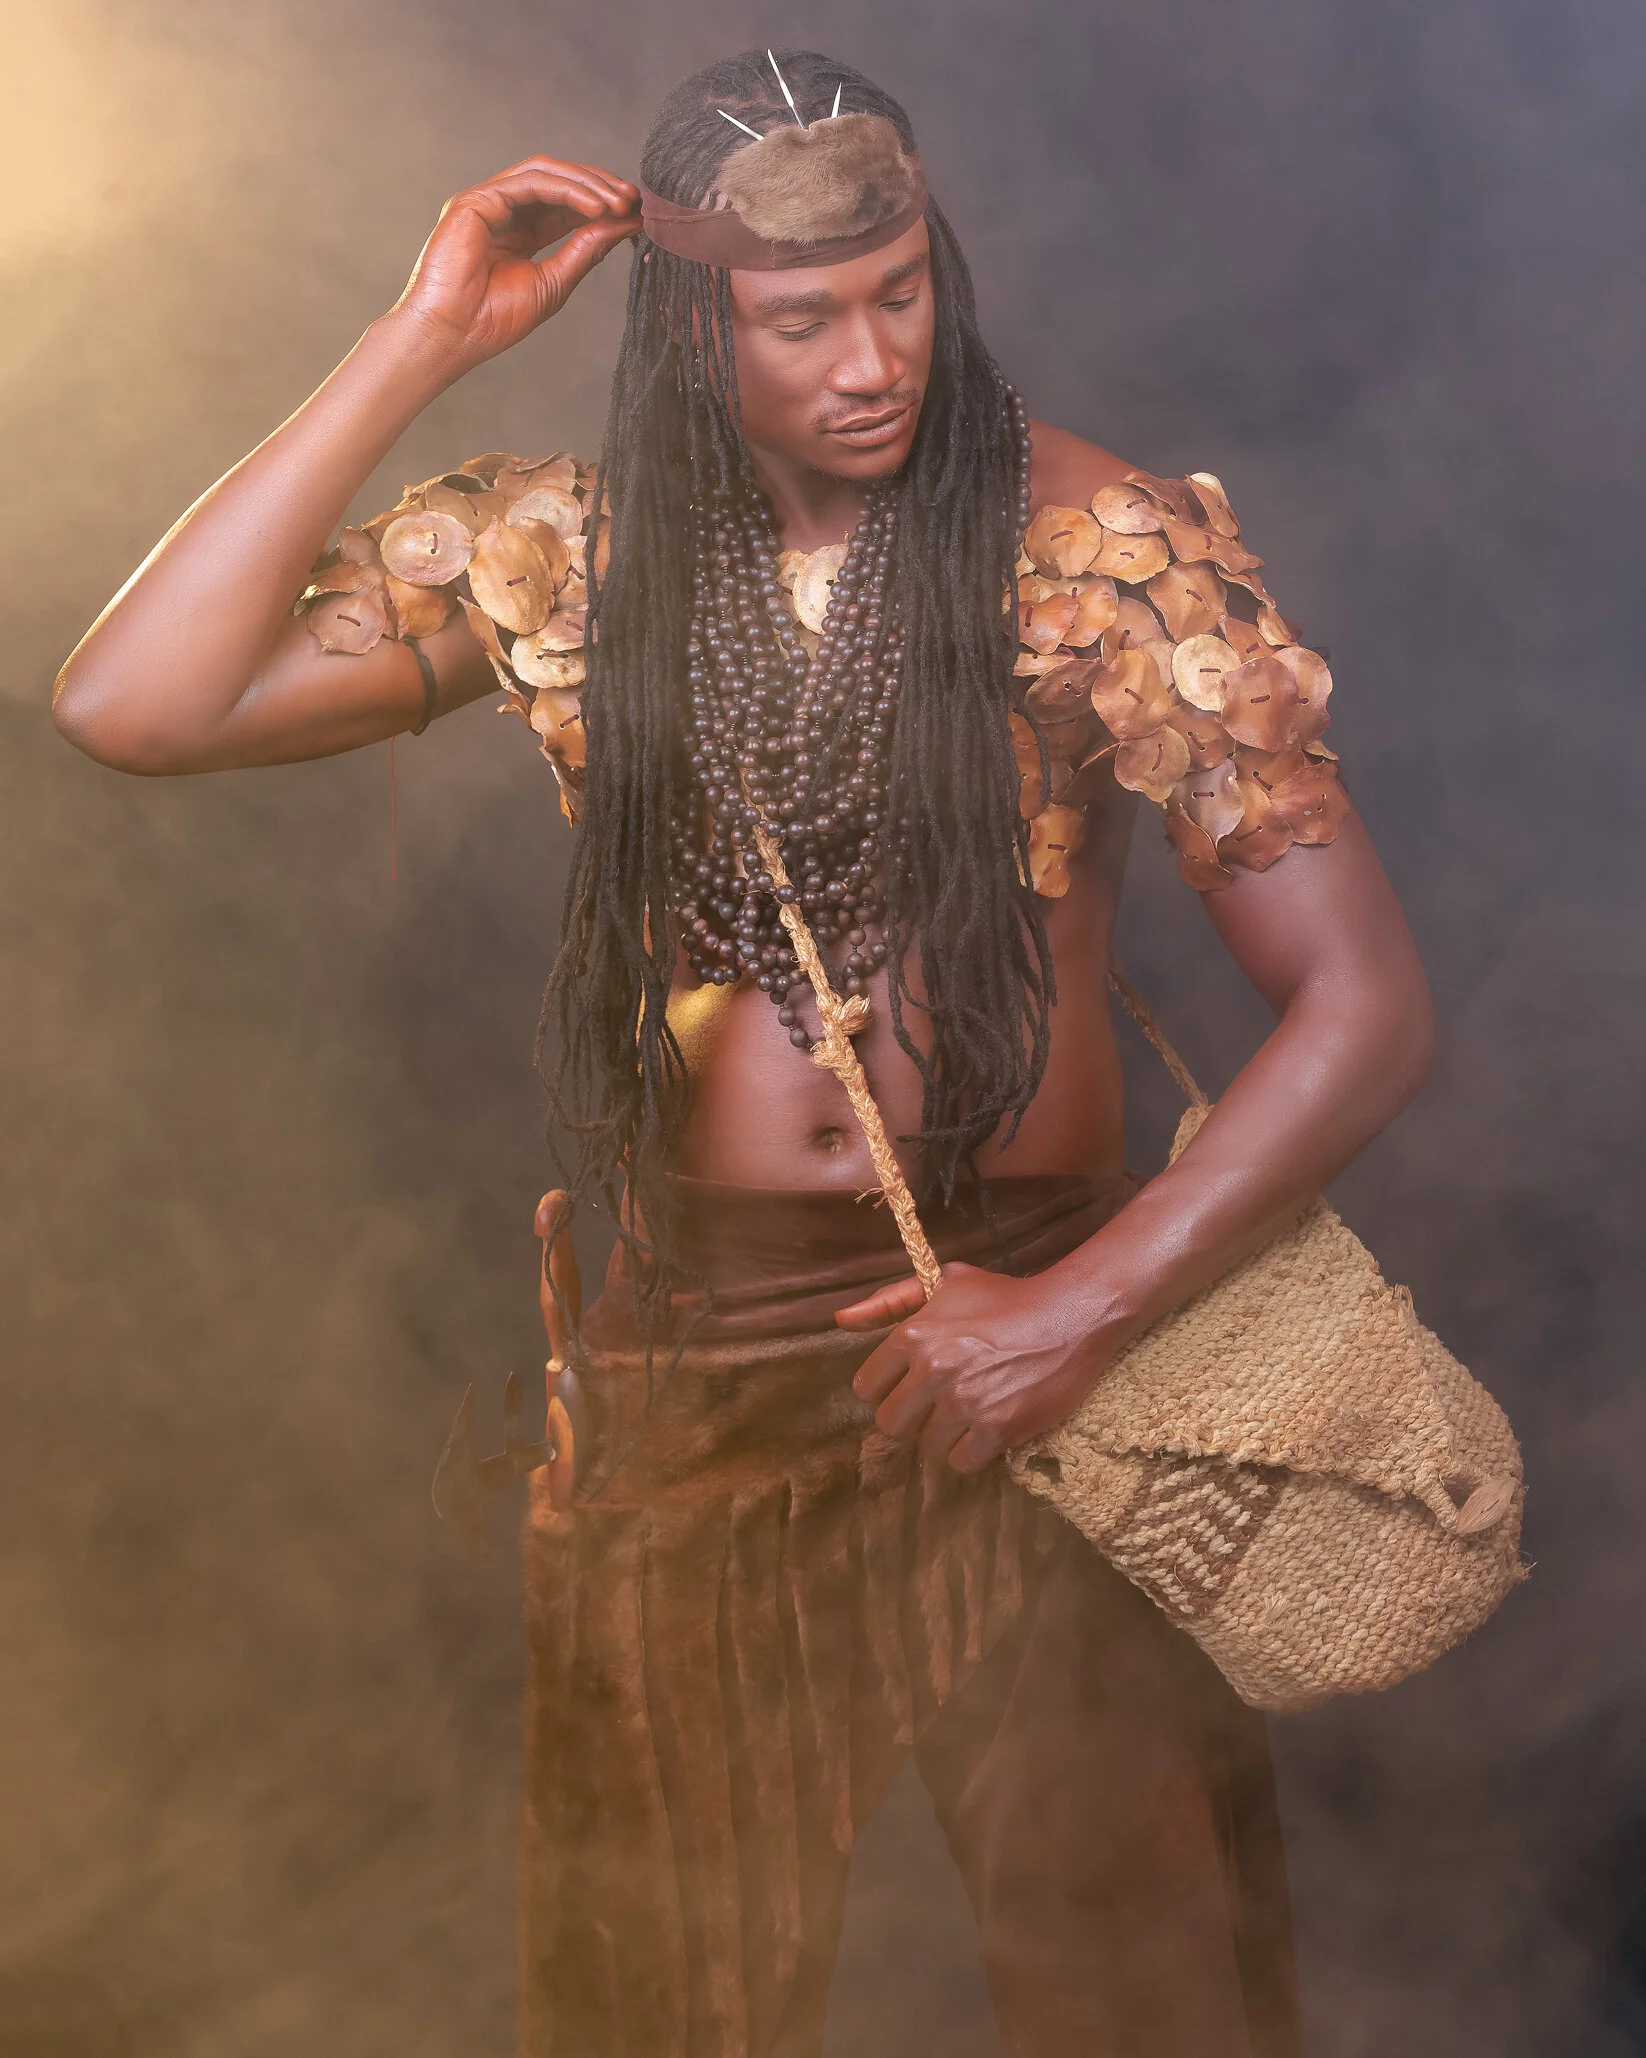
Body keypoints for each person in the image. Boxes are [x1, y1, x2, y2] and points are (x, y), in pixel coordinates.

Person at [54, 44, 1434, 2058]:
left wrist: (1076, 1310)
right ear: (698, 326)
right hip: (690, 1366)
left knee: (1143, 1976)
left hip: (1038, 1324)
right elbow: (133, 704)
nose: (870, 359)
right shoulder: (565, 558)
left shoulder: (1096, 549)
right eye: (803, 320)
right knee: (653, 1991)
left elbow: (1364, 1006)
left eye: (902, 293)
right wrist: (421, 337)